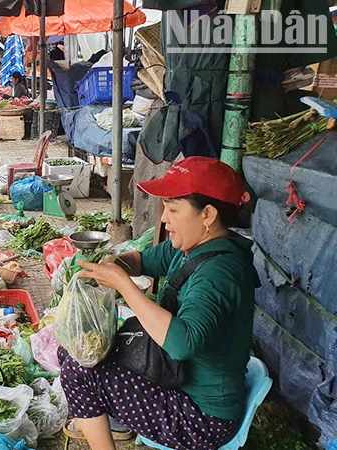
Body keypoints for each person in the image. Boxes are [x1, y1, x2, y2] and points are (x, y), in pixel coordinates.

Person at [59, 157, 257, 450]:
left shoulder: (219, 273)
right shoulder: (192, 248)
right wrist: (116, 264)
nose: (164, 219)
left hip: (200, 419)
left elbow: (182, 343)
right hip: (176, 380)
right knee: (76, 349)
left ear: (208, 215)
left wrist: (123, 286)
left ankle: (100, 427)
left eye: (173, 209)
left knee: (80, 369)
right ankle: (99, 418)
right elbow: (144, 260)